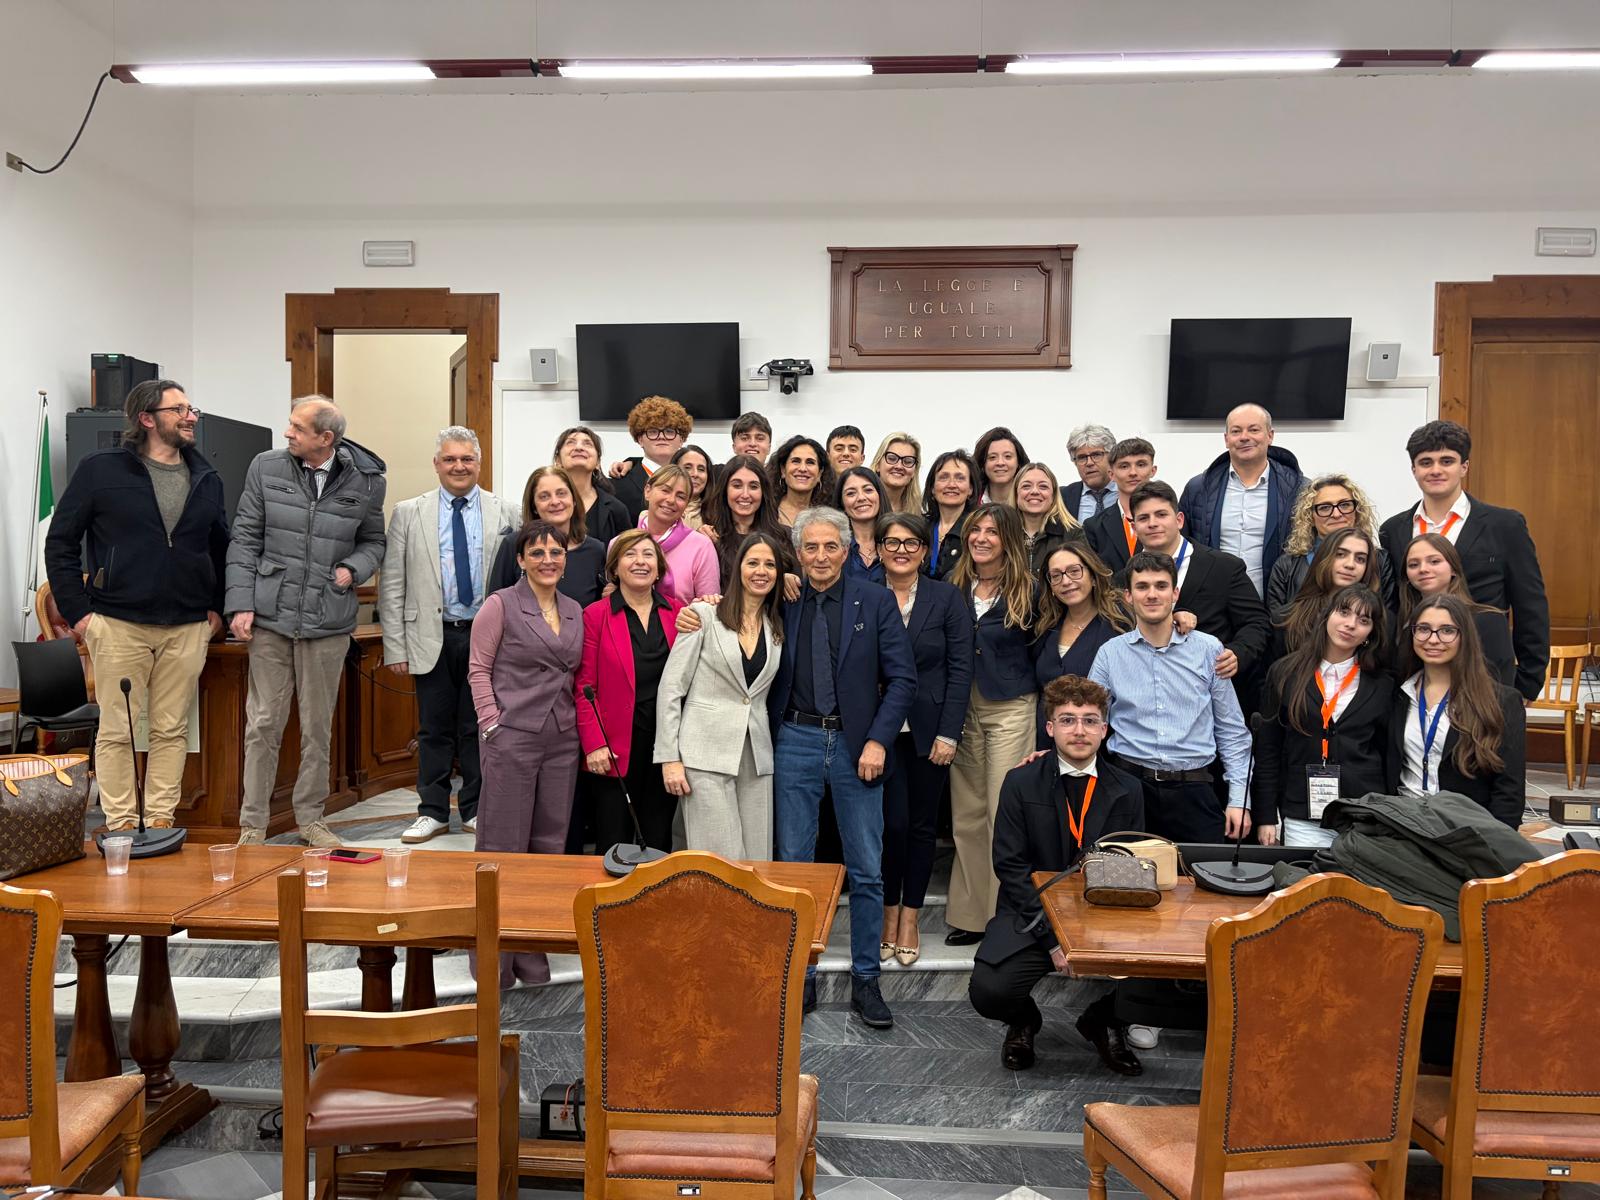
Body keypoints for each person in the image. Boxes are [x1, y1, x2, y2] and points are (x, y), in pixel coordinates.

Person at [45, 378, 228, 834]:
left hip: (187, 626)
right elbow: (61, 543)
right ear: (147, 419)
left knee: (171, 731)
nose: (191, 417)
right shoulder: (99, 470)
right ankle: (123, 824)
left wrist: (218, 609)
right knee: (118, 731)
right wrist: (81, 614)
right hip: (118, 624)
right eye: (179, 409)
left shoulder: (207, 477)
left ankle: (161, 820)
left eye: (191, 408)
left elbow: (222, 550)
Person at [767, 507, 916, 1028]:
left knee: (868, 869)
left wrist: (878, 741)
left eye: (832, 546)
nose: (822, 556)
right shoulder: (782, 600)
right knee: (794, 869)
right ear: (798, 552)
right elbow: (732, 610)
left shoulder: (874, 600)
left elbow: (902, 680)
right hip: (795, 740)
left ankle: (867, 980)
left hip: (859, 748)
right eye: (811, 547)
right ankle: (800, 975)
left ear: (848, 550)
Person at [227, 396, 386, 847]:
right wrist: (241, 603)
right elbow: (244, 539)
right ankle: (252, 826)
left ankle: (311, 820)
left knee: (318, 728)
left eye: (297, 427)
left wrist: (354, 568)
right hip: (272, 619)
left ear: (325, 438)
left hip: (327, 619)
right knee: (263, 725)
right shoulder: (265, 467)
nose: (287, 433)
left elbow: (375, 541)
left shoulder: (368, 480)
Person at [968, 675, 1146, 1076]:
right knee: (988, 990)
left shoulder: (1129, 789)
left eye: (1089, 720)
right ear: (1049, 728)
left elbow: (1129, 866)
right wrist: (1054, 940)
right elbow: (1011, 867)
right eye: (1067, 720)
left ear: (1105, 728)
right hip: (1032, 911)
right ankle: (1023, 1020)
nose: (1078, 730)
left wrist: (1091, 936)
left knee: (1167, 972)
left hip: (1100, 912)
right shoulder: (1020, 781)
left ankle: (1104, 1021)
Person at [378, 426, 519, 845]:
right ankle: (433, 811)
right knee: (433, 729)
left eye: (467, 459)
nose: (459, 466)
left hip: (486, 636)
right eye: (450, 459)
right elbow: (392, 583)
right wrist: (394, 645)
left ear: (479, 463)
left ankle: (477, 808)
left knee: (479, 727)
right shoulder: (409, 511)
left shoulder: (507, 511)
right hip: (430, 635)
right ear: (437, 464)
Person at [468, 520, 584, 984]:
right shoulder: (500, 605)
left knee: (548, 848)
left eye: (556, 552)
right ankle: (493, 961)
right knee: (502, 846)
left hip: (561, 737)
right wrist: (491, 723)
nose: (548, 560)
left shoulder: (574, 609)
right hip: (511, 734)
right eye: (537, 553)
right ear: (520, 560)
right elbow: (478, 670)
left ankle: (532, 954)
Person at [1088, 551, 1254, 843]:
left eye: (1161, 586)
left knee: (1201, 884)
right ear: (1128, 596)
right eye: (1142, 587)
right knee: (1128, 886)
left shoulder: (1208, 649)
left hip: (1195, 791)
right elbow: (1090, 722)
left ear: (1175, 593)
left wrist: (1239, 799)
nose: (1152, 594)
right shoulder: (1110, 654)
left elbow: (1232, 731)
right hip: (1130, 789)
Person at [1378, 420, 1548, 700]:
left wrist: (1529, 682)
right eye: (1426, 462)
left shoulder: (1505, 525)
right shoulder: (1392, 530)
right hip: (1413, 672)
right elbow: (1394, 604)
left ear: (1464, 467)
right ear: (1414, 470)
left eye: (1447, 461)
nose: (1435, 470)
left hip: (1486, 670)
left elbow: (1531, 604)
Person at [877, 512, 974, 967]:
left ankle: (909, 916)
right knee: (888, 826)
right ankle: (885, 909)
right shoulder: (863, 595)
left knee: (918, 828)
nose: (901, 550)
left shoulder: (946, 596)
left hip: (928, 734)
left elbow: (960, 670)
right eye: (891, 542)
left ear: (924, 549)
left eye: (911, 542)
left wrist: (949, 732)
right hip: (877, 733)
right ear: (879, 549)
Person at [944, 504, 1041, 945]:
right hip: (962, 709)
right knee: (967, 812)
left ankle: (1002, 915)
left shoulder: (1031, 588)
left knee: (1003, 811)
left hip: (1011, 706)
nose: (981, 537)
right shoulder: (953, 584)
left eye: (991, 531)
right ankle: (968, 915)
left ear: (1008, 538)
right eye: (974, 530)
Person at [656, 532, 786, 860]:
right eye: (752, 562)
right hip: (704, 756)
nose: (761, 571)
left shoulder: (776, 627)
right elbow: (672, 688)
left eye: (770, 564)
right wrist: (670, 758)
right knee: (718, 862)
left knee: (756, 861)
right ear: (737, 568)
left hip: (755, 758)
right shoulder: (703, 615)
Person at [1253, 585, 1394, 848]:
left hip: (1363, 817)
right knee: (1305, 887)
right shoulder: (1284, 672)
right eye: (1344, 612)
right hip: (1302, 814)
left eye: (1363, 620)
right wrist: (1265, 816)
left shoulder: (1383, 684)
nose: (1350, 624)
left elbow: (1389, 754)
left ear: (1370, 633)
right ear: (1327, 615)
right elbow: (1268, 749)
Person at [576, 530, 682, 853]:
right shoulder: (595, 615)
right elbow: (584, 689)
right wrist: (594, 745)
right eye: (630, 555)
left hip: (664, 745)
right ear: (615, 566)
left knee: (659, 838)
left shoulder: (678, 612)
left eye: (648, 555)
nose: (640, 562)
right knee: (613, 841)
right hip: (614, 749)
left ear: (659, 567)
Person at [1126, 481, 1270, 713]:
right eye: (1143, 518)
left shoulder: (1224, 567)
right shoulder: (1124, 576)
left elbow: (1256, 623)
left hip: (1212, 699)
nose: (1153, 524)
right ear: (1134, 526)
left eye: (1161, 514)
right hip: (1148, 701)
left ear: (1179, 520)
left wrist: (1238, 653)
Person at [1385, 592, 1525, 827]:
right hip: (1403, 825)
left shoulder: (1502, 701)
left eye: (1447, 630)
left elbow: (1509, 792)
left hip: (1465, 832)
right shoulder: (1397, 696)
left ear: (1465, 637)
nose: (1433, 639)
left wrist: (1494, 849)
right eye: (1424, 629)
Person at [1178, 403, 1304, 596]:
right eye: (1236, 431)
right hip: (1213, 607)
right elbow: (1182, 547)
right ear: (1226, 439)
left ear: (1270, 436)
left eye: (1254, 430)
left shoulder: (1300, 490)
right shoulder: (1198, 489)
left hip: (1277, 605)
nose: (1245, 437)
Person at [1032, 542, 1127, 746]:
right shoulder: (1045, 627)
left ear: (1093, 576)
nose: (1066, 581)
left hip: (1099, 746)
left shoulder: (1119, 623)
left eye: (1074, 571)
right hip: (1047, 744)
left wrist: (1180, 617)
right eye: (1056, 576)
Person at [1267, 472, 1396, 617]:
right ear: (1310, 517)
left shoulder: (1380, 561)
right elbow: (1276, 622)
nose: (1336, 514)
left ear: (1357, 511)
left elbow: (1387, 620)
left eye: (1345, 505)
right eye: (1324, 507)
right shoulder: (1287, 566)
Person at [1397, 533, 1516, 687]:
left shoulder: (1488, 620)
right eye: (1413, 564)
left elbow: (1501, 687)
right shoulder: (1403, 622)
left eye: (1434, 561)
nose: (1423, 569)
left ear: (1454, 569)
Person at [488, 466, 607, 603]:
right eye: (544, 496)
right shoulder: (513, 545)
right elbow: (495, 605)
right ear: (534, 506)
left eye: (561, 493)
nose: (555, 502)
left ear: (574, 500)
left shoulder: (596, 551)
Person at [1271, 527, 1384, 662]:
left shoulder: (1381, 620)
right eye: (1340, 554)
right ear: (1323, 557)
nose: (1350, 565)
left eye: (1360, 559)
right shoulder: (1286, 618)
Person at [632, 464, 720, 605]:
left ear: (686, 504)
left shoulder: (701, 546)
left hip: (682, 626)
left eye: (681, 496)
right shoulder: (621, 544)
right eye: (665, 490)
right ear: (647, 491)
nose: (671, 500)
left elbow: (709, 607)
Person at [702, 453, 794, 587]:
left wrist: (784, 579)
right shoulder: (710, 537)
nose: (745, 494)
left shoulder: (785, 536)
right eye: (737, 485)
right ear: (725, 490)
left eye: (753, 486)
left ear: (764, 492)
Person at [609, 395, 692, 523]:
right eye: (653, 431)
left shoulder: (695, 478)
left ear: (681, 439)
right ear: (640, 439)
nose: (662, 437)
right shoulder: (617, 485)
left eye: (669, 431)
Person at [1084, 437, 1157, 575]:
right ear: (1111, 474)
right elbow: (1095, 578)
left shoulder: (1169, 519)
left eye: (1141, 464)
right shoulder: (1094, 526)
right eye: (1124, 466)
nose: (1133, 472)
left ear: (1153, 470)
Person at [553, 425, 630, 544]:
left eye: (587, 444)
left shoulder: (616, 509)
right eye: (571, 443)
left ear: (598, 462)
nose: (579, 447)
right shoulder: (544, 503)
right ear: (558, 460)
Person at [1012, 461, 1083, 575]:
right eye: (1026, 486)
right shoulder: (1003, 532)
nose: (1034, 491)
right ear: (1016, 494)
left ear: (1054, 495)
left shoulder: (1073, 534)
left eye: (1043, 487)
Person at [923, 449, 979, 579]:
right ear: (932, 488)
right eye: (944, 477)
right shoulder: (919, 527)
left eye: (960, 478)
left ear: (970, 488)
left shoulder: (977, 530)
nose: (951, 485)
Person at [769, 435, 835, 528]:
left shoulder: (829, 517)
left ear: (820, 473)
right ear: (783, 470)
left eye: (810, 462)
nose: (803, 468)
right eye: (796, 461)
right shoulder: (766, 512)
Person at [835, 466, 886, 583]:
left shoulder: (897, 541)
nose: (861, 498)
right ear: (842, 503)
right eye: (851, 493)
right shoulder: (832, 544)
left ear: (879, 495)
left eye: (868, 490)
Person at [1061, 423, 1119, 523]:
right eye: (1082, 457)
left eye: (1096, 455)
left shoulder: (1129, 492)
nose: (1089, 463)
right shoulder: (1063, 497)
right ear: (1075, 462)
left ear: (1112, 456)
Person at [974, 425, 1030, 507]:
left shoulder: (1030, 502)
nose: (1000, 463)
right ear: (982, 464)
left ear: (1018, 462)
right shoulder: (969, 504)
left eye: (1008, 456)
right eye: (992, 457)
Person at [870, 431, 923, 514]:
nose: (899, 466)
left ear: (914, 471)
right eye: (891, 458)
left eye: (908, 461)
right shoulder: (862, 507)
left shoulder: (919, 516)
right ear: (878, 464)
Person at [670, 443, 713, 529]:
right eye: (687, 468)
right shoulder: (658, 511)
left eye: (701, 469)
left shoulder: (719, 516)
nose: (695, 474)